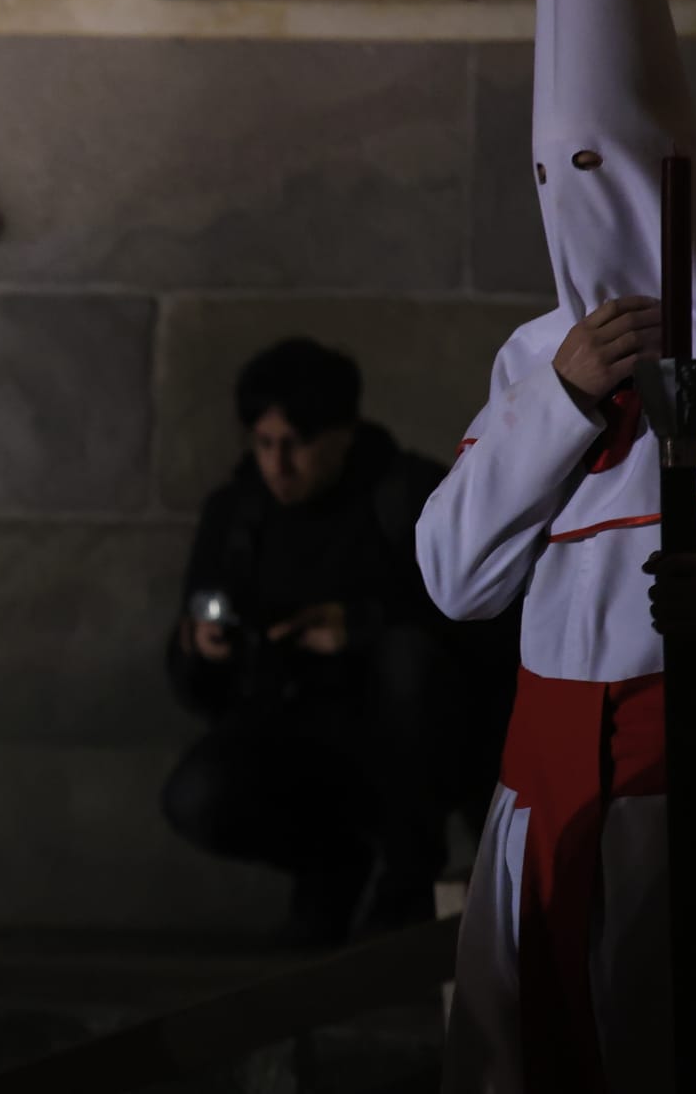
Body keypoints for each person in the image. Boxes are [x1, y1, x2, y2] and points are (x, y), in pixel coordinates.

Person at [419, 0, 696, 1089]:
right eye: (548, 182)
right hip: (540, 811)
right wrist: (561, 407)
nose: (575, 220)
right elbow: (454, 576)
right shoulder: (537, 361)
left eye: (600, 179)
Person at [161, 338, 511, 947]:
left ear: (343, 434)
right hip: (294, 732)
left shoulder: (410, 495)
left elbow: (488, 627)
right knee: (197, 796)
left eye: (297, 444)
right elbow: (199, 680)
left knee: (408, 663)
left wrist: (361, 629)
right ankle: (330, 870)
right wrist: (200, 647)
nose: (279, 464)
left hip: (416, 746)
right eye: (265, 444)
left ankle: (406, 884)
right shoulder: (237, 513)